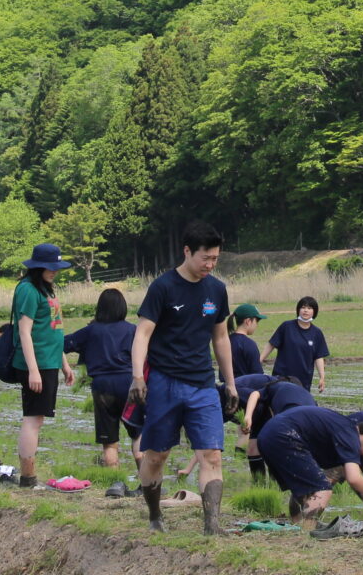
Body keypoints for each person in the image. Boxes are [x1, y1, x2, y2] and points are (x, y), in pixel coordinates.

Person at [130, 220, 239, 536]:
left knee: (211, 454)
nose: (210, 264)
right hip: (164, 382)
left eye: (216, 258)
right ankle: (154, 516)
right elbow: (143, 333)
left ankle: (212, 527)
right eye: (205, 258)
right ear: (187, 251)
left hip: (203, 385)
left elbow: (220, 338)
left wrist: (229, 382)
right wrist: (138, 376)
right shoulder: (163, 287)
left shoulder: (216, 290)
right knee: (157, 455)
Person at [256, 405, 363, 527]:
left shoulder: (344, 428)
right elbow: (354, 478)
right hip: (283, 435)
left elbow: (353, 476)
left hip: (268, 434)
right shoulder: (350, 436)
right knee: (322, 489)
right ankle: (305, 533)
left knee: (306, 487)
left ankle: (297, 525)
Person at [10, 242, 76, 487]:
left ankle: (29, 475)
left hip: (49, 361)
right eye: (50, 267)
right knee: (33, 418)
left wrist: (64, 364)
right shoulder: (28, 290)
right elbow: (24, 332)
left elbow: (54, 329)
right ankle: (28, 477)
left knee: (38, 418)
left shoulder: (46, 289)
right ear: (37, 267)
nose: (54, 271)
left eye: (56, 267)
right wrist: (34, 370)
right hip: (35, 364)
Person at [63, 288, 139, 469]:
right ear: (123, 308)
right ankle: (145, 482)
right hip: (129, 383)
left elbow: (60, 344)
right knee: (138, 434)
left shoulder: (90, 331)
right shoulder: (132, 330)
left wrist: (66, 368)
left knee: (109, 440)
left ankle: (113, 479)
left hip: (102, 386)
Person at [263, 296, 329, 393]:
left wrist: (322, 377)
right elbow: (271, 344)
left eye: (309, 308)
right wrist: (259, 360)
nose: (305, 310)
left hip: (303, 380)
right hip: (282, 377)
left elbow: (318, 357)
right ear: (298, 310)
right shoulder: (286, 326)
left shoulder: (317, 333)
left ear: (314, 312)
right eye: (303, 307)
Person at [228, 305, 265, 377]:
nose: (257, 325)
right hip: (246, 386)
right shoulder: (250, 344)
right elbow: (258, 376)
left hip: (226, 386)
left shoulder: (226, 341)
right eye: (257, 321)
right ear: (248, 321)